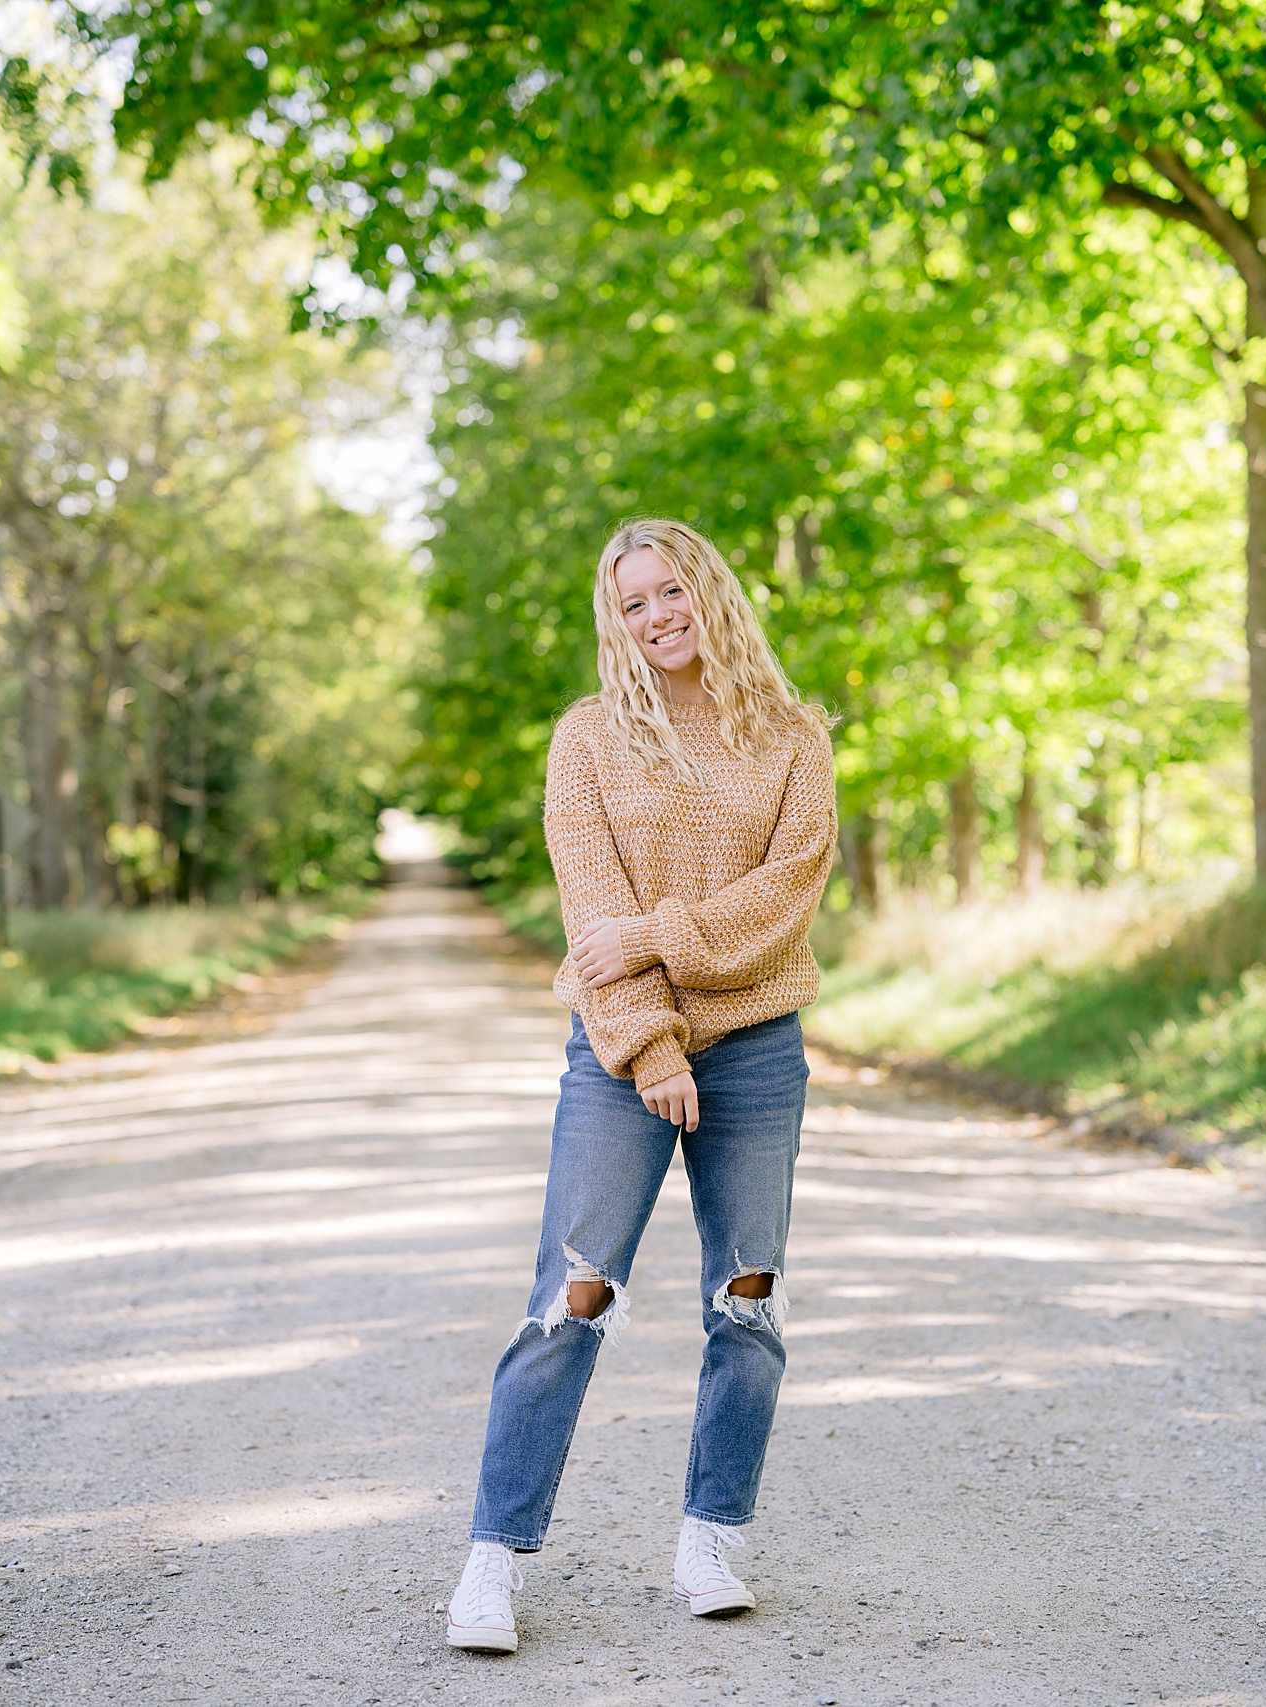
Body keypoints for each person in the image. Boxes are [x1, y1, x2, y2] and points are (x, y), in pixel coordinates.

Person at [445, 518, 837, 1652]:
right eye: (633, 603)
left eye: (672, 592)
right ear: (614, 621)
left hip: (759, 1045)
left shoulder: (793, 737)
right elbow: (589, 921)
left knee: (745, 1302)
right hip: (620, 1059)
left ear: (709, 594)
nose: (657, 615)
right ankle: (492, 1563)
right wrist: (653, 1049)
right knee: (569, 1302)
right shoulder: (588, 740)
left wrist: (657, 938)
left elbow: (784, 897)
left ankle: (710, 1536)